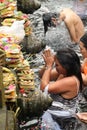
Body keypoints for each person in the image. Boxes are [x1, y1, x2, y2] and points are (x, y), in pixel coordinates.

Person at [39, 48, 82, 130]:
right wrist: (46, 65)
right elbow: (42, 76)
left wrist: (49, 66)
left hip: (61, 119)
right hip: (53, 114)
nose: (55, 67)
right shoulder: (63, 73)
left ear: (66, 66)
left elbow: (44, 88)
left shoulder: (72, 81)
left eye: (57, 65)